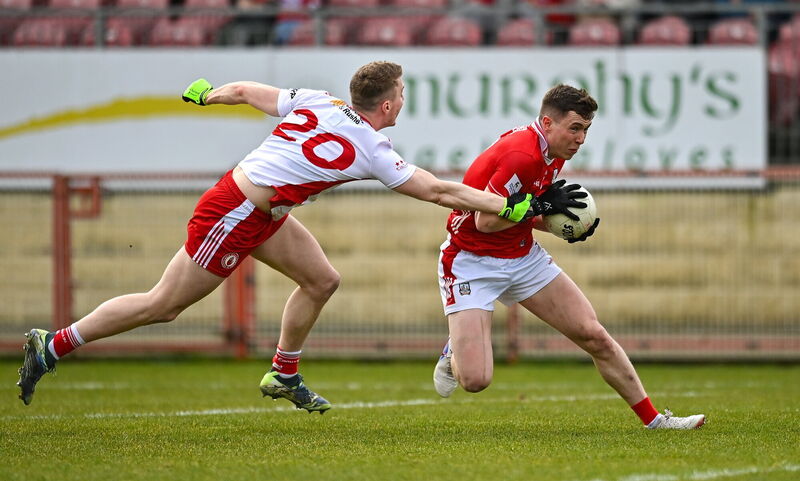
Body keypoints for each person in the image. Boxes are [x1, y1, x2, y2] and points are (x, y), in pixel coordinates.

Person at [17, 61, 545, 414]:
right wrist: (508, 204)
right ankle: (55, 343)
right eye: (401, 95)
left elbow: (245, 91)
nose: (403, 102)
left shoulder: (318, 100)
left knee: (320, 280)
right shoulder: (374, 149)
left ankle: (283, 374)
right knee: (163, 306)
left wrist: (208, 96)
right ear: (385, 106)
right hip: (234, 213)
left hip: (262, 210)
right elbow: (436, 190)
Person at [432, 84, 706, 430]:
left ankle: (655, 421)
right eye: (575, 128)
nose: (580, 138)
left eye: (586, 130)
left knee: (594, 336)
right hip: (471, 260)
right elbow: (485, 222)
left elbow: (522, 213)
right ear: (547, 122)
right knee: (475, 380)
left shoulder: (554, 151)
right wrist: (544, 207)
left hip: (521, 255)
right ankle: (454, 349)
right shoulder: (523, 155)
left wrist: (561, 227)